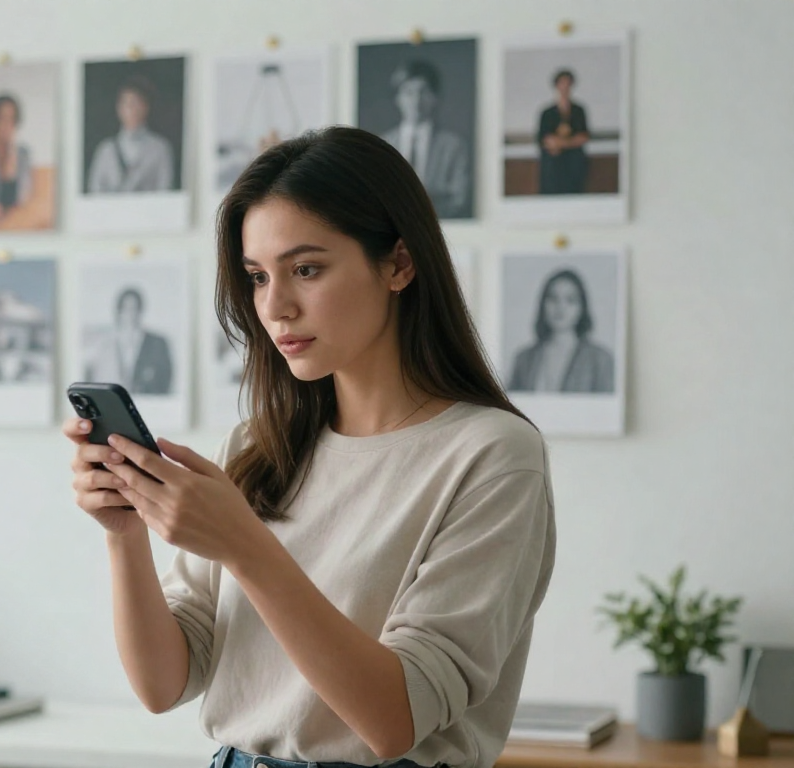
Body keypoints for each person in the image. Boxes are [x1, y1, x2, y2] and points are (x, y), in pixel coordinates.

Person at [64, 126, 556, 768]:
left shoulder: (491, 456)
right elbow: (164, 685)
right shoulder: (257, 446)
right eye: (257, 277)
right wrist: (123, 531)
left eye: (306, 269)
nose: (275, 307)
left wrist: (245, 545)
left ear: (399, 264)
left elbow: (394, 719)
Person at [380, 59, 471, 219]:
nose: (416, 101)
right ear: (397, 99)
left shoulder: (454, 146)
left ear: (435, 97)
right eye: (408, 92)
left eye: (423, 92)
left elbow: (460, 200)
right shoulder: (382, 145)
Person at [508, 268, 614, 393]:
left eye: (570, 300)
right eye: (553, 298)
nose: (560, 307)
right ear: (543, 305)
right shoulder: (524, 359)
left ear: (582, 308)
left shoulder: (600, 359)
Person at [87, 75, 176, 194]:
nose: (131, 109)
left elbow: (165, 189)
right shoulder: (105, 150)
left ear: (145, 107)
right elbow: (94, 191)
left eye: (135, 103)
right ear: (119, 108)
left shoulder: (160, 148)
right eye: (126, 104)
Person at [84, 287, 173, 395]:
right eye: (126, 308)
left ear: (140, 311)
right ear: (119, 311)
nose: (130, 313)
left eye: (134, 308)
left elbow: (164, 381)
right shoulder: (107, 344)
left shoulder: (157, 344)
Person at [536, 69, 591, 195]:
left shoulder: (579, 111)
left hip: (574, 165)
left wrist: (561, 143)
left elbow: (583, 137)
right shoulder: (547, 113)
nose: (565, 87)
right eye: (562, 83)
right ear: (556, 86)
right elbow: (545, 140)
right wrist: (564, 142)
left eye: (568, 83)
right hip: (553, 167)